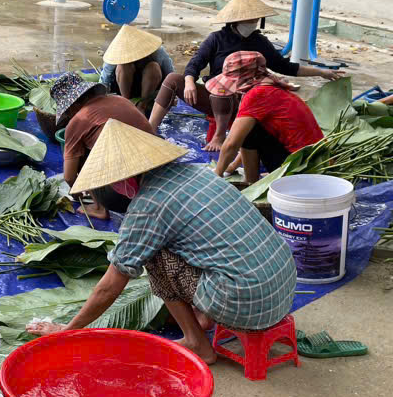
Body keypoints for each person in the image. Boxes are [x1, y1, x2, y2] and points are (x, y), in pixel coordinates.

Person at [27, 120, 298, 364]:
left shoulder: (148, 206)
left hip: (248, 304)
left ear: (125, 180)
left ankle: (196, 341)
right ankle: (203, 318)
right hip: (283, 288)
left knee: (156, 256)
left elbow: (109, 287)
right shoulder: (200, 172)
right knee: (198, 248)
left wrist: (69, 329)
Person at [148, 0, 345, 151]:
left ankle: (219, 137)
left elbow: (285, 67)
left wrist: (322, 72)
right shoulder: (216, 39)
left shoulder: (260, 42)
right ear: (236, 21)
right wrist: (190, 81)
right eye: (250, 20)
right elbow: (195, 64)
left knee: (227, 96)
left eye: (256, 20)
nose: (254, 23)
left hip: (243, 100)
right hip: (213, 92)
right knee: (174, 79)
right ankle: (150, 128)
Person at [52, 72, 154, 219]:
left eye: (67, 112)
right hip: (157, 184)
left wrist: (77, 192)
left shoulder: (79, 119)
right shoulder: (121, 100)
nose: (68, 115)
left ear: (73, 105)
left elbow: (69, 176)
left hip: (125, 197)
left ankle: (99, 207)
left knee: (80, 154)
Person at [211, 51, 324, 184]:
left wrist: (216, 175)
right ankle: (250, 178)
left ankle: (251, 182)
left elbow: (232, 144)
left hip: (300, 167)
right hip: (313, 159)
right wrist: (232, 166)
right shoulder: (271, 85)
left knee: (246, 132)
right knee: (250, 128)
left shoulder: (257, 94)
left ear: (243, 76)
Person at [98, 24, 176, 116]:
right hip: (124, 89)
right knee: (122, 66)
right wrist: (101, 98)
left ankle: (143, 105)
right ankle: (126, 103)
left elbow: (171, 76)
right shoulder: (117, 53)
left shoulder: (157, 52)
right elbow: (104, 80)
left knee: (153, 67)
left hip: (149, 89)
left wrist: (172, 96)